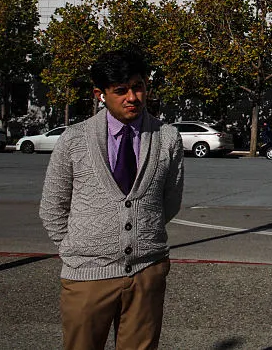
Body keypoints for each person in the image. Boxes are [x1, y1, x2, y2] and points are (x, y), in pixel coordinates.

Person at [39, 49, 184, 350]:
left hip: (147, 272)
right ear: (100, 94)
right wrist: (77, 250)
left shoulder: (168, 137)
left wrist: (145, 238)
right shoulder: (74, 139)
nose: (132, 97)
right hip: (87, 276)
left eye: (139, 86)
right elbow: (52, 206)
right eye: (121, 90)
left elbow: (169, 201)